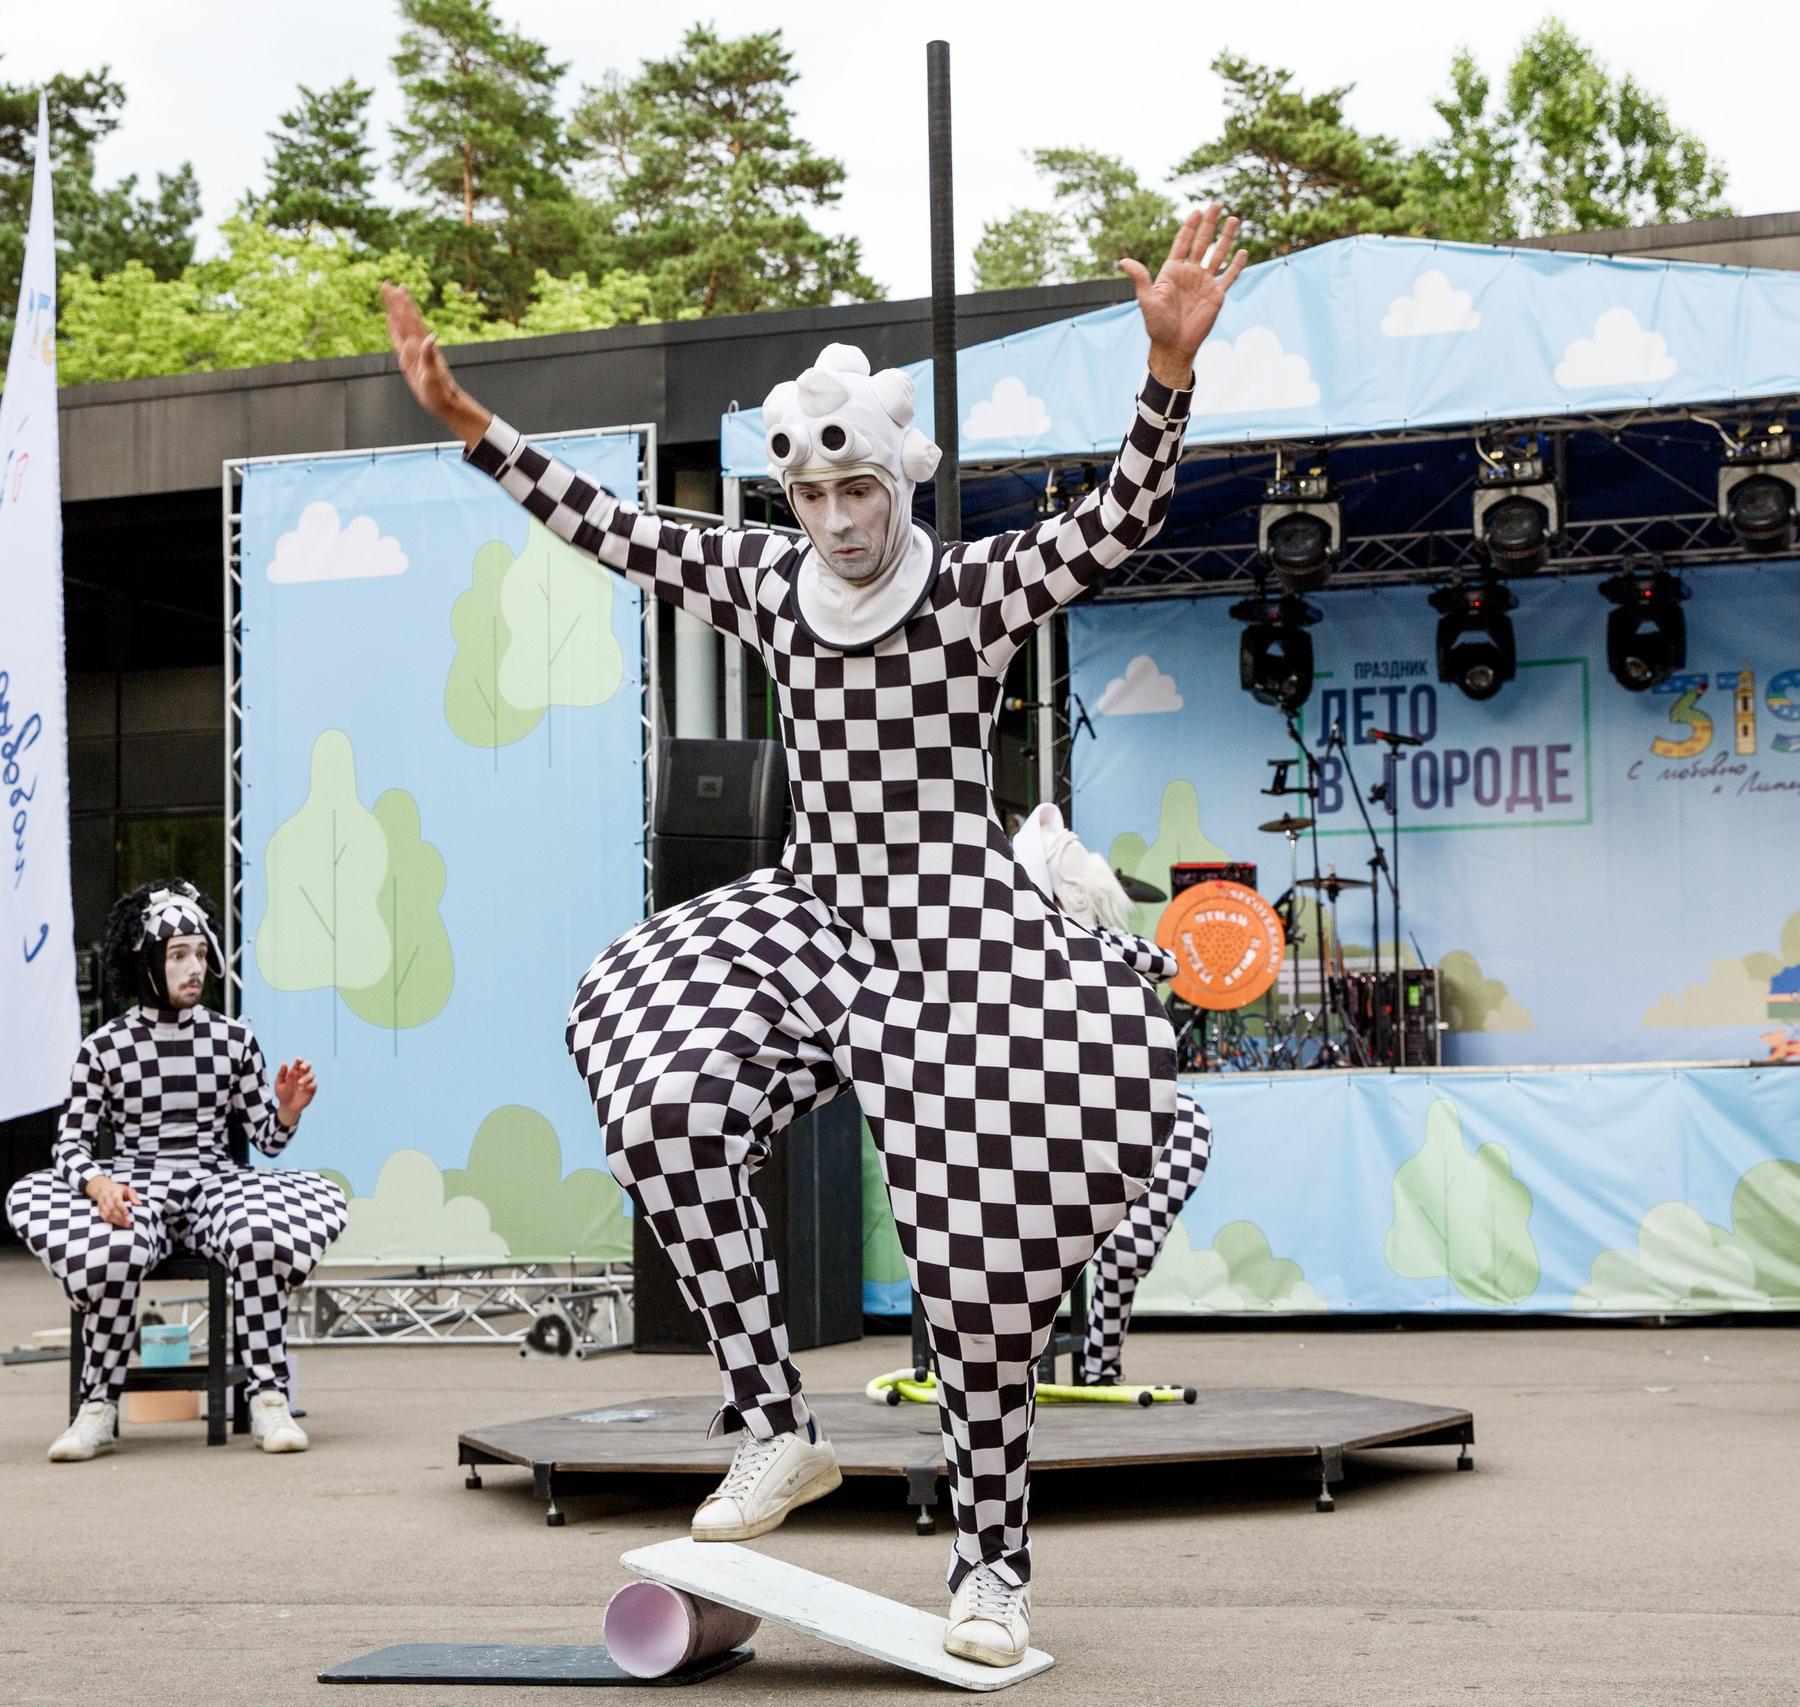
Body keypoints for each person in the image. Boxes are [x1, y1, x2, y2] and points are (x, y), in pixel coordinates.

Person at [384, 203, 1246, 1668]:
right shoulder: (772, 583)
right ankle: (777, 1425)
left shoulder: (972, 590)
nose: (840, 527)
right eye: (815, 501)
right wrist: (475, 424)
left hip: (956, 926)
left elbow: (1117, 521)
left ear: (898, 480)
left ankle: (991, 1565)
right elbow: (617, 530)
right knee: (659, 1095)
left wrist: (1164, 370)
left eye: (860, 494)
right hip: (815, 910)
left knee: (967, 1251)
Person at [4, 882, 349, 1462]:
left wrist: (287, 1107)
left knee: (257, 1236)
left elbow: (266, 1139)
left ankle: (268, 1399)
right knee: (114, 1250)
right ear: (147, 963)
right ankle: (97, 1408)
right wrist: (99, 1184)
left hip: (216, 1184)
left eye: (200, 952)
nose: (195, 968)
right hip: (136, 1186)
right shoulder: (104, 1049)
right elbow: (69, 1143)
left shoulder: (233, 1040)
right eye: (178, 955)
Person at [1008, 804, 1213, 1388]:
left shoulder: (1089, 944)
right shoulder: (1019, 947)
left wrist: (1094, 941)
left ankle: (1102, 1358)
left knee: (1189, 1130)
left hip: (1108, 1107)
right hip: (1038, 1119)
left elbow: (1164, 961)